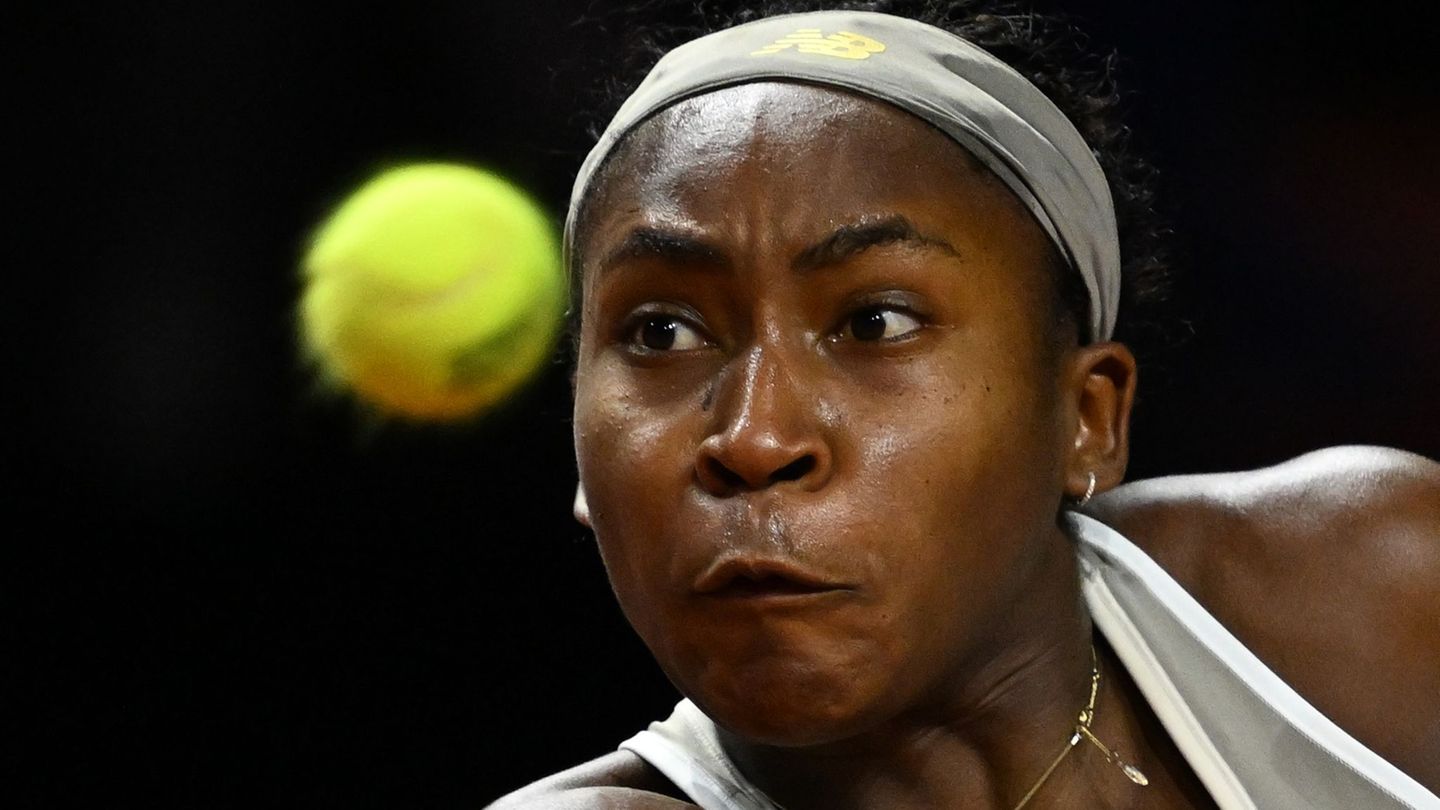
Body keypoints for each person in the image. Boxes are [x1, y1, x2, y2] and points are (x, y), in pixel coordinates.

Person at [493, 2, 1440, 807]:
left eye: (875, 322)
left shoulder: (1379, 589)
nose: (755, 438)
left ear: (1087, 419)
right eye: (662, 333)